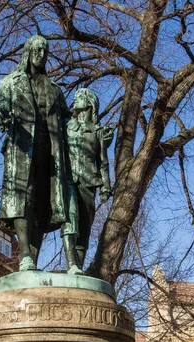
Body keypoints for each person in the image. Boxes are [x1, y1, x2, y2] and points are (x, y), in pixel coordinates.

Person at [0, 35, 80, 273]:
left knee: (44, 203)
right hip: (22, 148)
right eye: (37, 50)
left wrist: (86, 129)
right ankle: (25, 256)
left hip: (50, 152)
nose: (41, 55)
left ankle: (33, 258)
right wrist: (2, 117)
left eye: (45, 51)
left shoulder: (54, 89)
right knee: (24, 198)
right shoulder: (10, 82)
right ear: (28, 52)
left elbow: (67, 119)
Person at [66, 88, 114, 268]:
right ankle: (72, 263)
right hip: (68, 179)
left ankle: (78, 265)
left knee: (85, 226)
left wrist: (106, 187)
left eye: (79, 97)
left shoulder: (98, 131)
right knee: (70, 219)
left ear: (89, 103)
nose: (75, 99)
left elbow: (103, 162)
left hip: (88, 181)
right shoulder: (67, 126)